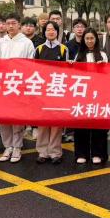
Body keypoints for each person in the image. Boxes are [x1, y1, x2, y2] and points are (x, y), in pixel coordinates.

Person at [0, 13, 36, 163]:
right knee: (3, 117)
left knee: (17, 117)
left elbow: (31, 64)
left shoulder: (27, 43)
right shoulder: (0, 43)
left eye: (13, 23)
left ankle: (17, 146)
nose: (10, 26)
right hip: (2, 85)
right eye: (8, 23)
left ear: (19, 25)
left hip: (18, 85)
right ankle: (7, 146)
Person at [34, 21, 68, 164]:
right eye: (48, 30)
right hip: (42, 91)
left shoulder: (63, 49)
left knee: (56, 123)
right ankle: (42, 152)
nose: (50, 32)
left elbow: (68, 71)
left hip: (57, 90)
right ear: (44, 32)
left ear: (57, 32)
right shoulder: (39, 49)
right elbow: (34, 70)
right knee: (42, 122)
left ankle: (55, 152)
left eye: (53, 29)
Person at [73, 28, 109, 165]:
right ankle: (81, 153)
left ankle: (97, 153)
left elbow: (109, 74)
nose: (89, 41)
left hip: (99, 94)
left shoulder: (103, 55)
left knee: (98, 124)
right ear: (83, 40)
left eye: (92, 38)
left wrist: (103, 67)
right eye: (87, 38)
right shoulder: (79, 55)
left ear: (96, 39)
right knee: (81, 124)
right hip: (82, 94)